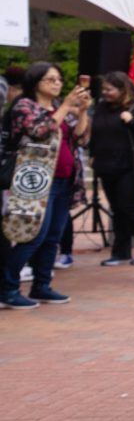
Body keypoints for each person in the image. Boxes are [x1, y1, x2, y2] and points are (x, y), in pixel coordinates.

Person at [1, 64, 89, 307]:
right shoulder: (24, 106)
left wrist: (81, 112)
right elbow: (41, 130)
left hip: (64, 179)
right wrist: (64, 107)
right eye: (50, 79)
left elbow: (80, 138)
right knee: (32, 236)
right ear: (35, 81)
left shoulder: (61, 108)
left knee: (53, 237)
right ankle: (7, 289)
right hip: (35, 183)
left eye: (59, 79)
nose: (57, 83)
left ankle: (41, 286)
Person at [87, 72, 134, 267]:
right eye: (103, 90)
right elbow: (97, 131)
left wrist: (133, 122)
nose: (105, 93)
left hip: (130, 166)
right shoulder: (102, 106)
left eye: (110, 90)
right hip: (106, 165)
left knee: (128, 206)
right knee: (117, 209)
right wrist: (92, 153)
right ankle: (120, 251)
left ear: (123, 89)